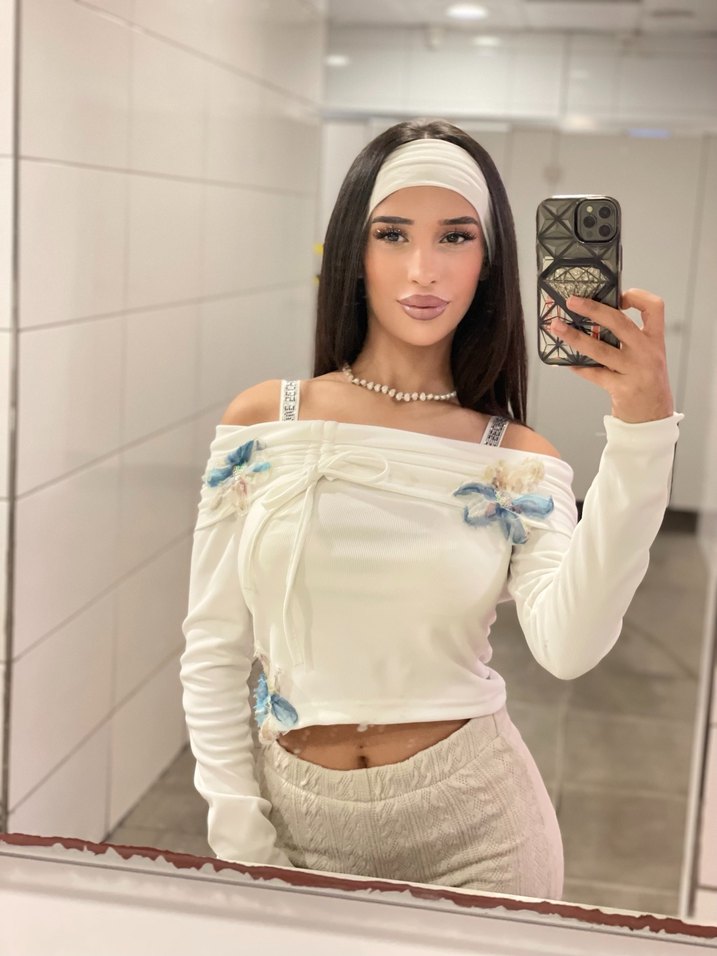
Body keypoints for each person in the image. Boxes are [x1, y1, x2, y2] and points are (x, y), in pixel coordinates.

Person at [179, 117, 683, 900]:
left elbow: (570, 645)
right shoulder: (265, 423)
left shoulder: (517, 459)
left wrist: (641, 435)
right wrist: (241, 840)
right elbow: (213, 647)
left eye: (455, 237)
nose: (423, 269)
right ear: (354, 255)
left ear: (487, 263)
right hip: (296, 822)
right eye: (392, 235)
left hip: (479, 833)